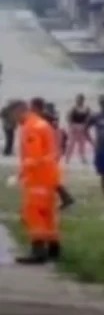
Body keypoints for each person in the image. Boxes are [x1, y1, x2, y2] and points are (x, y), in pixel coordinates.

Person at [7, 99, 62, 264]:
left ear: (18, 111)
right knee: (48, 214)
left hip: (38, 178)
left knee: (33, 214)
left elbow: (33, 157)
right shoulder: (42, 123)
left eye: (11, 115)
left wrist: (20, 176)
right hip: (50, 176)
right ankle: (53, 248)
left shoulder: (30, 127)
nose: (12, 119)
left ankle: (38, 251)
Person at [30, 98, 74, 211]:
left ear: (36, 107)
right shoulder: (45, 117)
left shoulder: (45, 118)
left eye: (32, 106)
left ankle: (54, 200)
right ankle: (65, 198)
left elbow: (54, 134)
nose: (30, 108)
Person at [64, 94, 92, 165]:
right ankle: (67, 160)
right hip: (74, 128)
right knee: (71, 144)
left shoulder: (87, 108)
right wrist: (71, 126)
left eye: (80, 99)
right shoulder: (73, 108)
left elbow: (90, 118)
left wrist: (86, 126)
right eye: (77, 99)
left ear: (83, 100)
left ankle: (83, 159)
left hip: (83, 128)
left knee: (82, 145)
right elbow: (68, 118)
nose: (78, 101)